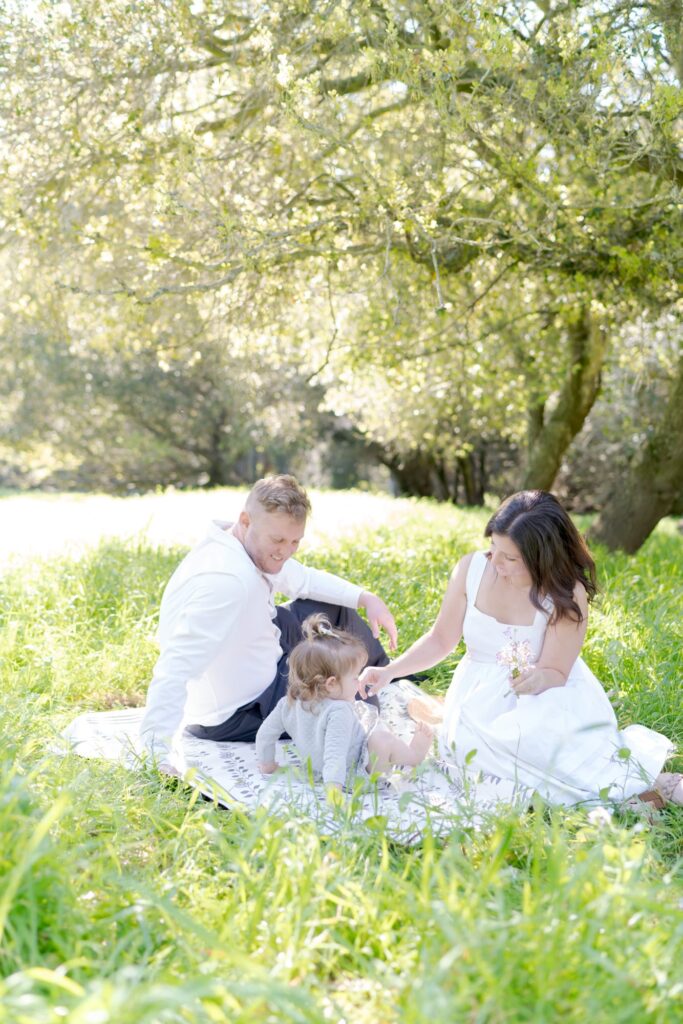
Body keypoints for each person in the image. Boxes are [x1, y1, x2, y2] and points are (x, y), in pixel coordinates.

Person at [359, 490, 683, 808]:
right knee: (474, 755)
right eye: (493, 547)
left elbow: (555, 672)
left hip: (545, 694)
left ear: (543, 557)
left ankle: (642, 786)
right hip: (478, 698)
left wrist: (531, 679)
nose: (496, 562)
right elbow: (441, 639)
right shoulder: (471, 569)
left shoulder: (565, 592)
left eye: (510, 557)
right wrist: (389, 672)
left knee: (541, 743)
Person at [140, 475, 397, 770]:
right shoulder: (227, 583)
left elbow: (304, 579)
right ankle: (364, 699)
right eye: (277, 540)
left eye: (294, 542)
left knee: (336, 608)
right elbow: (175, 667)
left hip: (266, 644)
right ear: (246, 520)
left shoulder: (239, 542)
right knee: (341, 698)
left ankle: (381, 674)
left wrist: (367, 598)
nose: (285, 551)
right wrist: (154, 753)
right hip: (245, 707)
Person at [256, 614, 434, 789]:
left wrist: (267, 764)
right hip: (355, 776)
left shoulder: (288, 703)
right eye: (355, 678)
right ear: (331, 684)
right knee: (383, 738)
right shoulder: (338, 711)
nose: (358, 682)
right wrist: (333, 789)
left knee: (369, 723)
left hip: (318, 771)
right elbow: (335, 754)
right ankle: (413, 755)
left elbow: (265, 734)